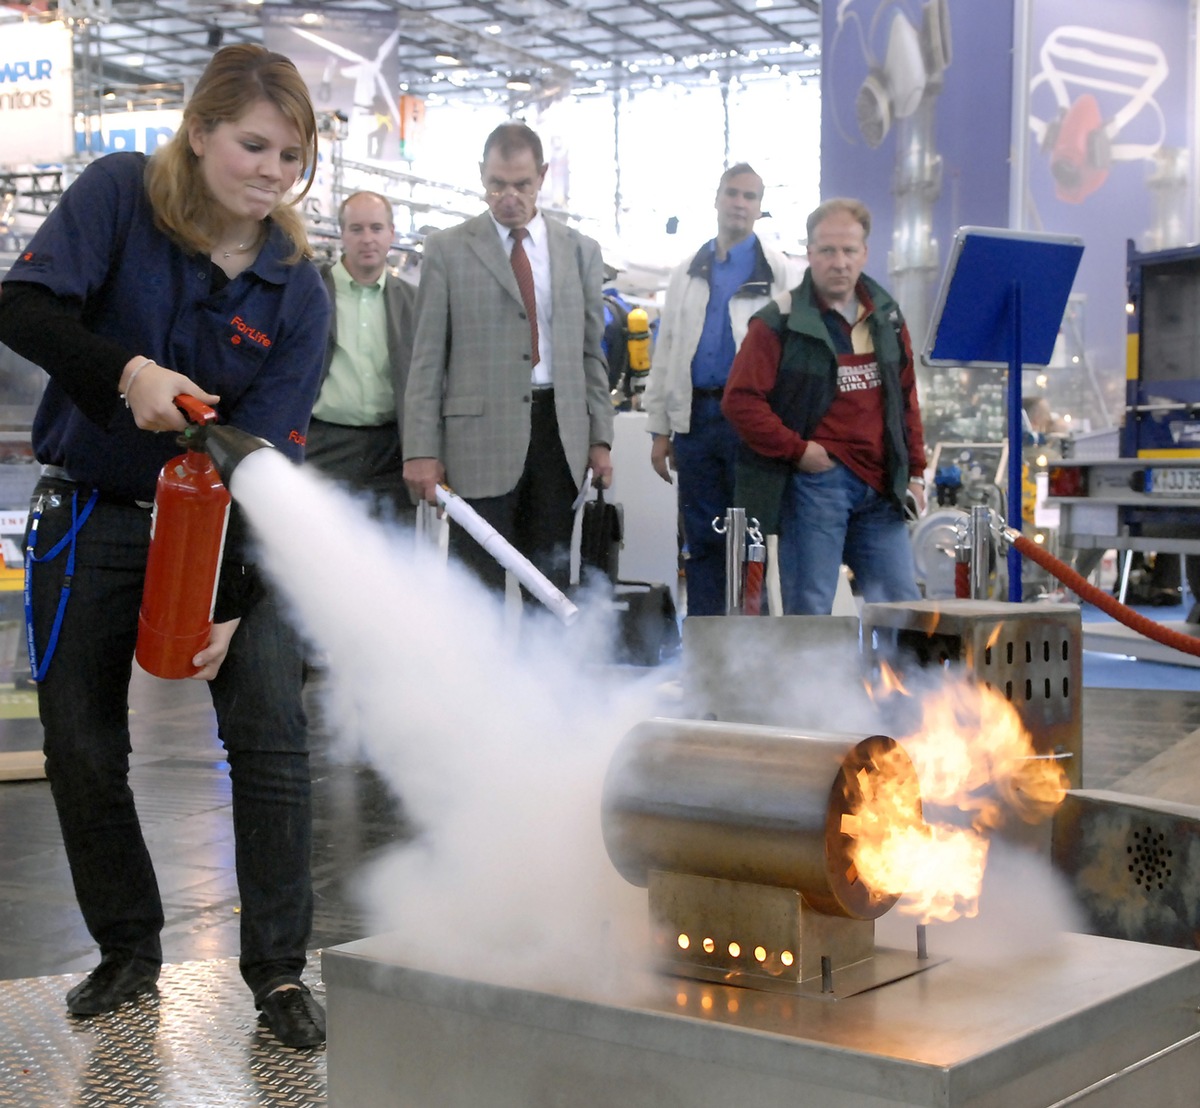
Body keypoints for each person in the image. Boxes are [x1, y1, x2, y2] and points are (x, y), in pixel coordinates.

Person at [0, 45, 330, 1048]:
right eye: (253, 144)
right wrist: (126, 371)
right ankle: (129, 951)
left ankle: (278, 972)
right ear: (199, 131)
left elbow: (262, 461)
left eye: (291, 153)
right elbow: (20, 305)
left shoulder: (298, 290)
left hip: (236, 534)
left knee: (271, 739)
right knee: (84, 744)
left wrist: (226, 599)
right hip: (94, 516)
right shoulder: (117, 197)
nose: (272, 170)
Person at [402, 122, 613, 595]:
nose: (508, 196)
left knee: (550, 578)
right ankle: (481, 671)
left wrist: (601, 438)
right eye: (497, 184)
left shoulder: (581, 252)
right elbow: (427, 357)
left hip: (559, 438)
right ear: (481, 175)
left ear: (542, 176)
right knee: (477, 585)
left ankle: (543, 671)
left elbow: (589, 353)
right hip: (475, 442)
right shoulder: (446, 249)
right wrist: (420, 449)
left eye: (521, 184)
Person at [722, 197, 927, 615]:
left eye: (849, 250)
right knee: (812, 612)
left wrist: (917, 474)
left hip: (882, 488)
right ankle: (812, 684)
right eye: (828, 250)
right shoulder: (777, 322)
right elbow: (740, 401)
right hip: (818, 486)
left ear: (864, 253)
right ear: (810, 254)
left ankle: (902, 684)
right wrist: (799, 451)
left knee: (903, 611)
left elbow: (906, 399)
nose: (839, 262)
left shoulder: (887, 318)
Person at [641, 163, 798, 615]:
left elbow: (792, 355)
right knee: (703, 541)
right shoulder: (687, 271)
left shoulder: (779, 271)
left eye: (750, 196)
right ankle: (706, 653)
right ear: (716, 199)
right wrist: (659, 431)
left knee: (754, 542)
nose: (739, 203)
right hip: (698, 423)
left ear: (760, 208)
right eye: (732, 193)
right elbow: (667, 352)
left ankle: (751, 658)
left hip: (753, 424)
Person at [308, 191, 417, 524]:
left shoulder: (413, 301)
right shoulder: (311, 291)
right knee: (320, 546)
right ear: (341, 234)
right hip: (323, 446)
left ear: (391, 234)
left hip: (392, 451)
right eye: (356, 229)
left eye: (376, 228)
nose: (367, 239)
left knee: (389, 553)